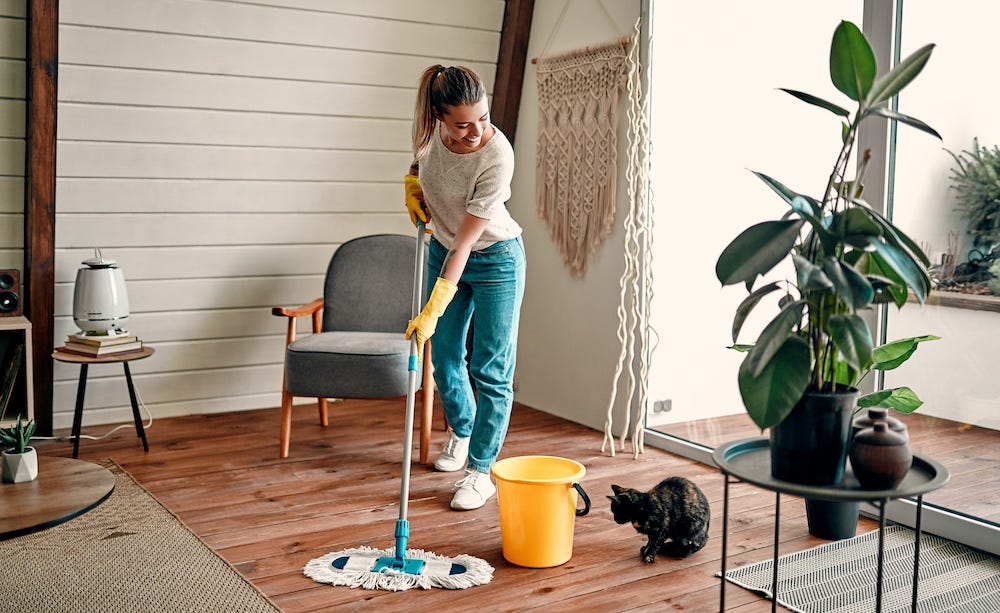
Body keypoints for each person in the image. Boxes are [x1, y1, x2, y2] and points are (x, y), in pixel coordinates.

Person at [404, 65, 526, 511]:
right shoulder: (426, 134)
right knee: (447, 357)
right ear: (440, 117)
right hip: (443, 249)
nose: (477, 131)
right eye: (463, 124)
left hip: (494, 259)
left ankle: (480, 470)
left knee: (490, 368)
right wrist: (411, 185)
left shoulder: (497, 156)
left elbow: (466, 243)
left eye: (484, 118)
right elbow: (421, 166)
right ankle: (462, 428)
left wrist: (434, 305)